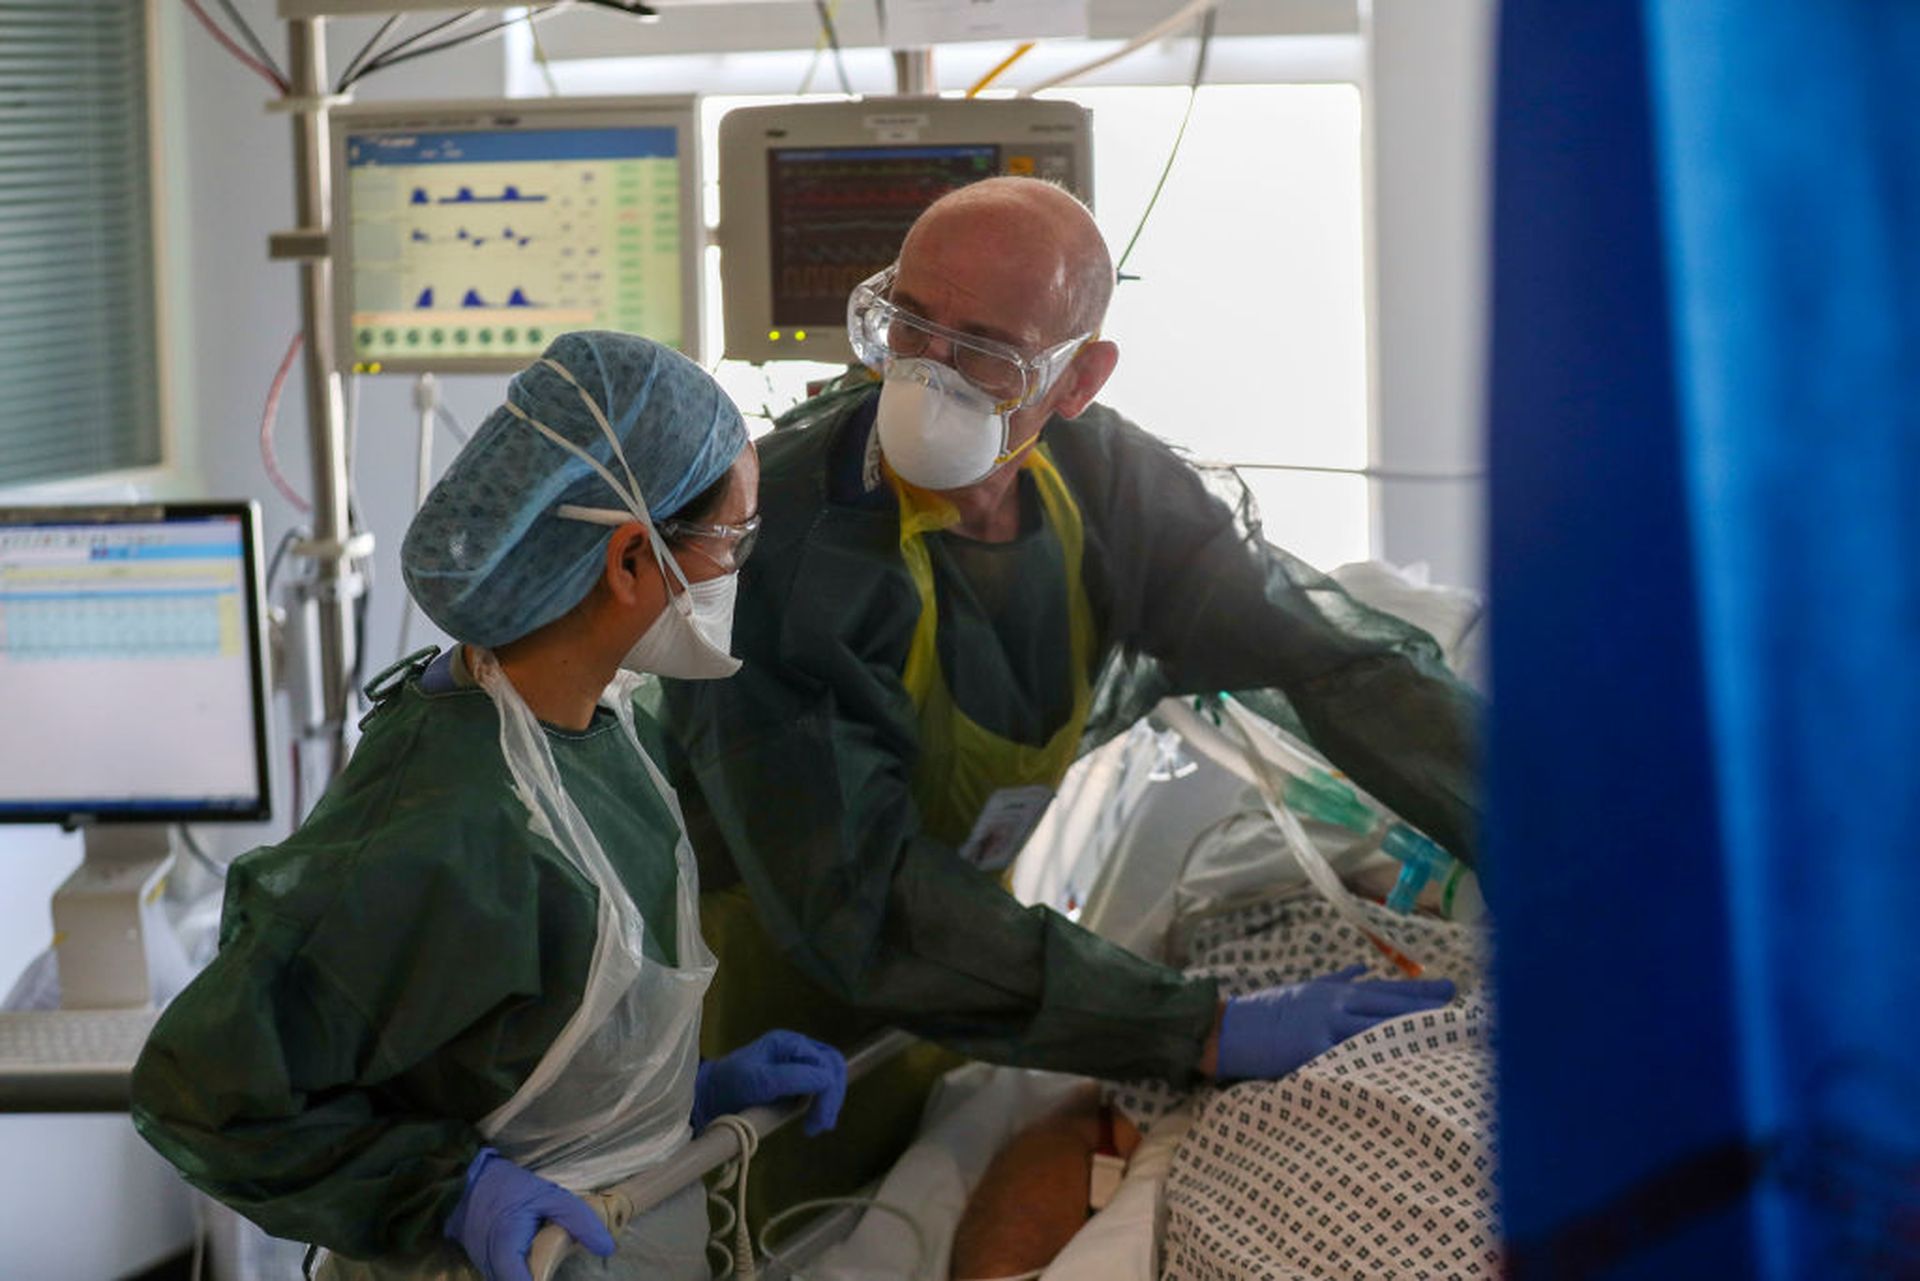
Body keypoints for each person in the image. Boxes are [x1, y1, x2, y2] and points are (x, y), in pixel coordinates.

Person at [660, 178, 1473, 1204]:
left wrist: (1545, 846)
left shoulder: (1106, 486)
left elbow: (1334, 663)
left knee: (932, 1185)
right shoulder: (776, 551)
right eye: (907, 324)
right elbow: (858, 899)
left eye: (986, 351)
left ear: (1078, 379)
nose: (928, 374)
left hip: (972, 972)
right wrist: (1201, 1027)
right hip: (765, 1002)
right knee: (779, 1227)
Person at [131, 333, 847, 1281]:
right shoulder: (447, 818)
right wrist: (453, 1189)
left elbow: (509, 1038)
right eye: (730, 540)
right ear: (632, 560)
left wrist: (672, 1097)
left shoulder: (597, 727)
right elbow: (205, 1092)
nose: (735, 570)